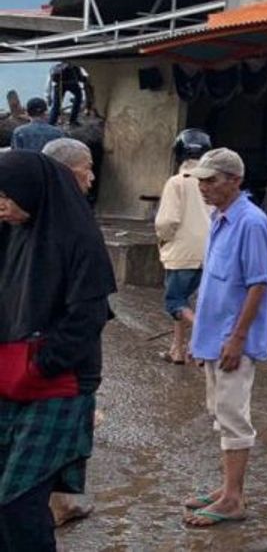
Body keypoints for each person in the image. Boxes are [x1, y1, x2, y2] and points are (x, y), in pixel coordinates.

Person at [0, 152, 116, 551]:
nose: (2, 203)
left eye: (7, 195)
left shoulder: (77, 237)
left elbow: (88, 315)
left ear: (31, 192)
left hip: (58, 385)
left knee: (19, 500)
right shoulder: (14, 234)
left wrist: (43, 363)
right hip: (11, 381)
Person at [181, 148, 267, 528]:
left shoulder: (251, 222)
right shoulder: (221, 218)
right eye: (201, 180)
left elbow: (257, 285)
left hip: (233, 338)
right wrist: (198, 338)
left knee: (234, 416)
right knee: (220, 413)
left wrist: (237, 338)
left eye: (211, 180)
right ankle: (227, 489)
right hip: (214, 336)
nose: (204, 187)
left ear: (235, 180)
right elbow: (213, 285)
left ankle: (233, 498)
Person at [37, 137, 101, 527]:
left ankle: (62, 498)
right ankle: (58, 503)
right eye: (86, 168)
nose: (92, 177)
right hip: (59, 356)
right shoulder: (67, 225)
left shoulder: (60, 217)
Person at [154, 129, 213, 365]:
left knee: (175, 302)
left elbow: (167, 221)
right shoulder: (211, 181)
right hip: (209, 250)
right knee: (193, 302)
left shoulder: (177, 182)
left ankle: (207, 338)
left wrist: (164, 238)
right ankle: (178, 349)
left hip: (182, 251)